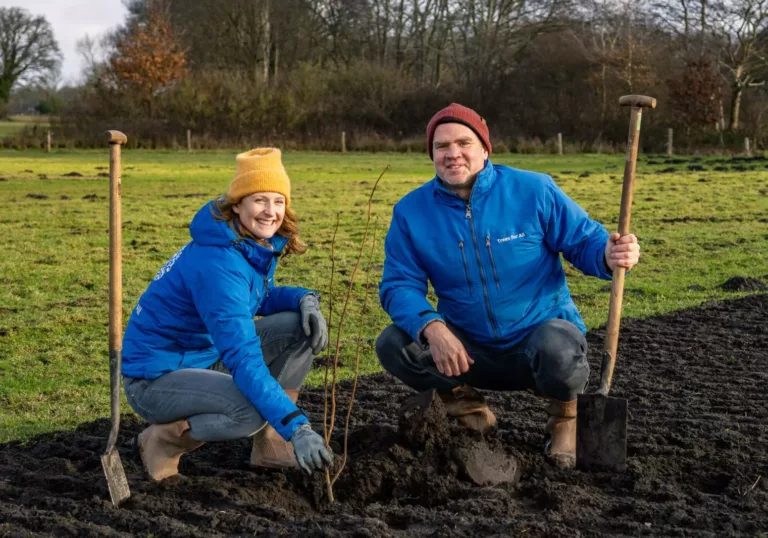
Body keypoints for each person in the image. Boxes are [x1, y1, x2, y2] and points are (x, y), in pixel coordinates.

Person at [375, 103, 640, 468]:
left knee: (558, 347)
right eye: (441, 146)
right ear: (431, 154)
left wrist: (609, 254)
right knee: (394, 343)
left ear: (485, 148)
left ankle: (565, 419)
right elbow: (398, 284)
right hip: (468, 353)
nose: (453, 154)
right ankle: (467, 407)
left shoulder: (533, 190)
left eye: (464, 142)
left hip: (535, 345)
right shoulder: (411, 211)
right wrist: (432, 327)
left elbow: (585, 241)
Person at [122, 148, 333, 481]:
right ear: (237, 204)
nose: (271, 211)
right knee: (249, 411)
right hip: (155, 379)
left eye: (278, 201)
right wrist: (299, 427)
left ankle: (272, 447)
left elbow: (254, 298)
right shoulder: (219, 263)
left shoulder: (244, 243)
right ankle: (160, 441)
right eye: (259, 200)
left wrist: (304, 299)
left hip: (203, 359)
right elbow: (242, 357)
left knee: (297, 327)